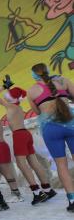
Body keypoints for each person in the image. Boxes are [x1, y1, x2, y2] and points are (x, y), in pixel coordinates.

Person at [0, 81, 57, 205]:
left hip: (19, 135)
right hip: (25, 134)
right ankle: (48, 189)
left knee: (22, 164)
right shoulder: (18, 107)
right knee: (34, 162)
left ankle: (37, 192)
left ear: (11, 97)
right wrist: (8, 89)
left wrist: (4, 86)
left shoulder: (10, 106)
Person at [28, 63, 74, 211]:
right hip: (71, 123)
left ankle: (72, 200)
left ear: (34, 76)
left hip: (50, 128)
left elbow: (37, 111)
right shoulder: (63, 81)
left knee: (61, 165)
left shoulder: (32, 91)